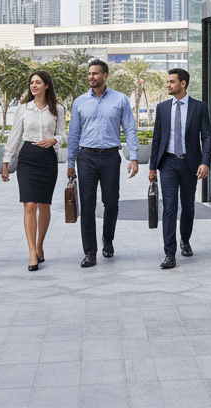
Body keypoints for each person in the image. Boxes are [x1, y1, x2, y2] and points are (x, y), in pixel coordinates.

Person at [66, 58, 140, 268]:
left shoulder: (121, 100)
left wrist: (133, 157)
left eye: (96, 73)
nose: (91, 77)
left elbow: (130, 129)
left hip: (110, 157)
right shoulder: (80, 102)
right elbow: (74, 134)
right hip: (86, 157)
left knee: (111, 202)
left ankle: (108, 239)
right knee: (87, 205)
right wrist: (71, 162)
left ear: (105, 76)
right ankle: (90, 251)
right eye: (89, 73)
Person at [1, 69, 66, 270]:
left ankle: (39, 246)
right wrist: (5, 162)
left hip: (47, 158)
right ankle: (32, 253)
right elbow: (14, 136)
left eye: (38, 82)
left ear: (46, 85)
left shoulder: (58, 109)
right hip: (27, 157)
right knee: (29, 205)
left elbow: (64, 134)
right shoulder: (23, 109)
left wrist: (55, 139)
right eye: (31, 83)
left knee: (44, 205)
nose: (34, 85)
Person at [148, 67, 211, 269]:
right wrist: (152, 167)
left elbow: (207, 136)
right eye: (167, 82)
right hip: (167, 163)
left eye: (172, 82)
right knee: (169, 207)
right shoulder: (162, 108)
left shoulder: (199, 107)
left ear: (183, 83)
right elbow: (157, 138)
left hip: (190, 162)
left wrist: (205, 162)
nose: (168, 85)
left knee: (188, 205)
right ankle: (170, 253)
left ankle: (185, 239)